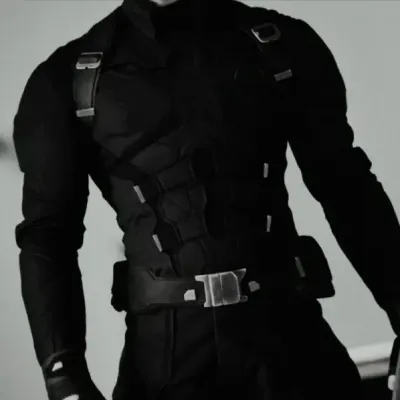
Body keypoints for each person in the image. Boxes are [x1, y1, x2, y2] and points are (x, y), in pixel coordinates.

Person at [12, 0, 400, 399]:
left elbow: (347, 187)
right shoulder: (66, 80)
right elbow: (48, 236)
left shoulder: (279, 43)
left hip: (292, 345)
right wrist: (64, 377)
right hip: (164, 362)